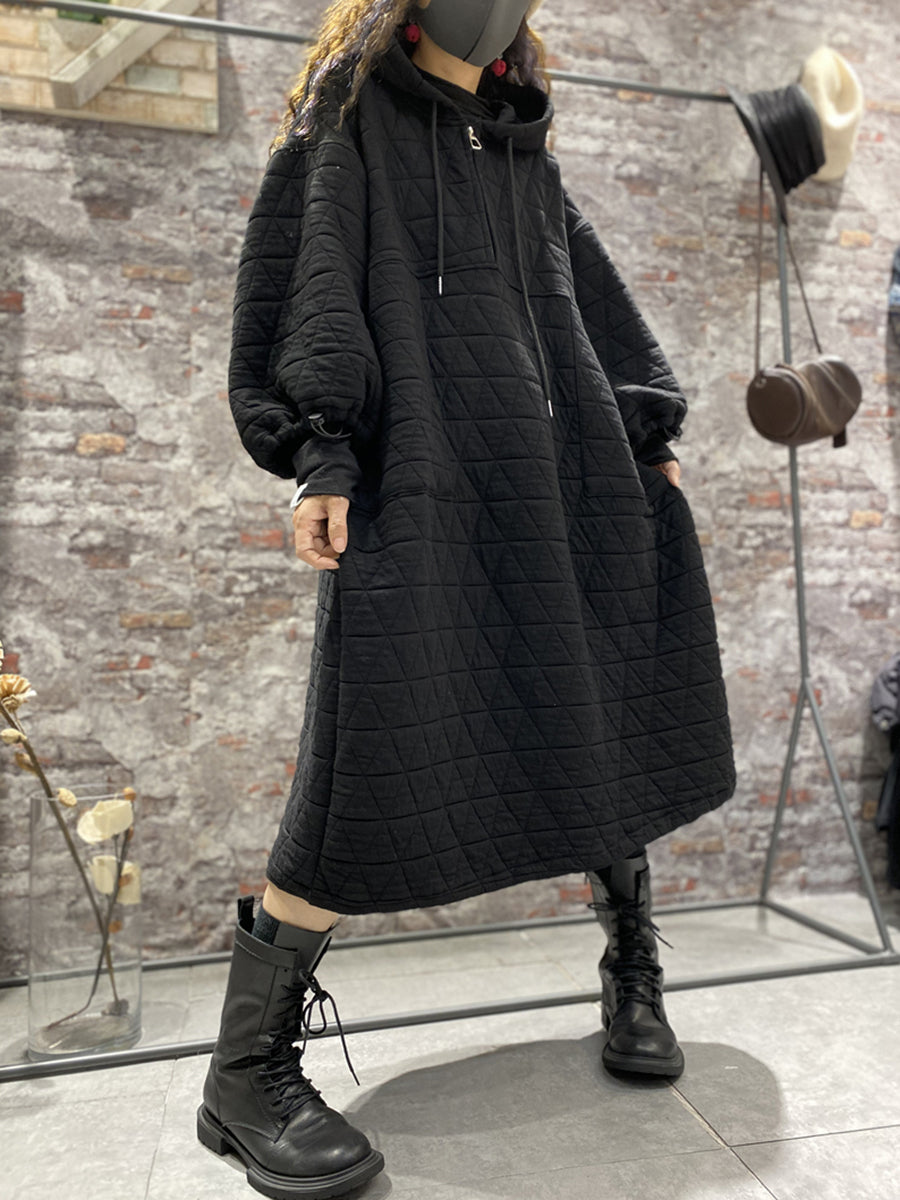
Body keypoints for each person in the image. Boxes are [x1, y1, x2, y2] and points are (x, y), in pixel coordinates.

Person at [197, 1, 737, 1196]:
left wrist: (646, 436)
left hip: (565, 481)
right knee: (368, 758)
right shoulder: (347, 127)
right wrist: (321, 456)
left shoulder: (523, 145)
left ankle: (632, 973)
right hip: (425, 481)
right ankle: (242, 1074)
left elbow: (590, 306)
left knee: (604, 712)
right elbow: (306, 285)